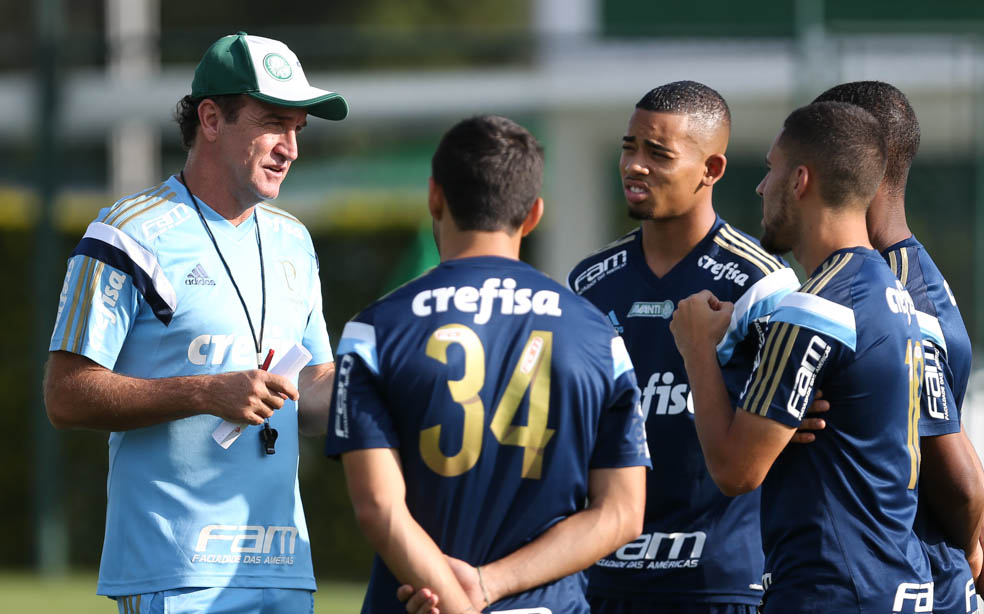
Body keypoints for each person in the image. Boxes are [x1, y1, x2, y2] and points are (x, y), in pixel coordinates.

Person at [44, 32, 345, 614]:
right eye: (273, 123)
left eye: (298, 130)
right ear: (211, 117)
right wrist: (208, 391)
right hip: (176, 572)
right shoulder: (126, 233)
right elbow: (65, 395)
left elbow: (310, 390)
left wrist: (387, 388)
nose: (290, 147)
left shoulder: (294, 240)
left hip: (283, 567)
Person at [326, 115, 650, 614]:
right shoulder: (599, 337)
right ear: (535, 213)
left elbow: (380, 508)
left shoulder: (375, 332)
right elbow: (623, 512)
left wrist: (457, 601)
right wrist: (488, 584)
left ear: (435, 196)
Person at [671, 101, 933, 613]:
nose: (760, 187)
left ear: (800, 181)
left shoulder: (814, 309)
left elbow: (735, 470)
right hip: (895, 580)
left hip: (833, 592)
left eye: (771, 170)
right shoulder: (890, 292)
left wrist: (697, 348)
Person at [565, 81, 800, 614]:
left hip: (720, 584)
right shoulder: (587, 282)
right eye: (629, 147)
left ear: (711, 170)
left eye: (658, 153)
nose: (635, 166)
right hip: (603, 581)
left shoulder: (762, 284)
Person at [810, 80, 984, 614]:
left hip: (903, 583)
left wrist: (972, 557)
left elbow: (958, 476)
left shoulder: (895, 296)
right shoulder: (892, 278)